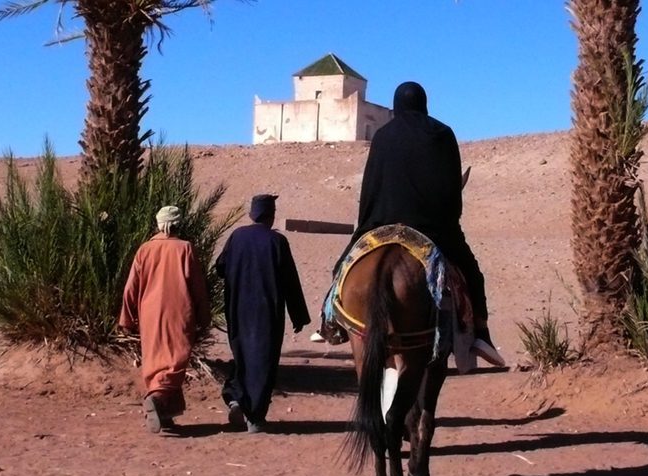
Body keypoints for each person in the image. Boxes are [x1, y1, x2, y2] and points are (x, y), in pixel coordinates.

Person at [325, 81, 502, 365]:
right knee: (471, 272)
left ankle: (330, 321)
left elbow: (370, 187)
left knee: (342, 266)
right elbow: (449, 189)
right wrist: (449, 222)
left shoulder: (382, 136)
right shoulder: (442, 134)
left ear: (395, 107)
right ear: (424, 104)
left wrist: (366, 223)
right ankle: (481, 333)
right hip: (431, 226)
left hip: (380, 221)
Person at [215, 194, 310, 433]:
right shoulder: (277, 242)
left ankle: (236, 398)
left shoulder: (237, 237)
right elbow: (290, 282)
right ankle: (255, 416)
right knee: (263, 362)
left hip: (238, 310)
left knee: (242, 356)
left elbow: (220, 267)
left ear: (251, 214)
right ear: (271, 215)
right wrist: (299, 316)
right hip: (268, 313)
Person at [119, 205, 212, 434]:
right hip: (179, 312)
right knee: (174, 359)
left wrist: (127, 319)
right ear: (178, 224)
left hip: (149, 314)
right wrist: (204, 315)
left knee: (154, 357)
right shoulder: (185, 249)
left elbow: (131, 287)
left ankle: (165, 413)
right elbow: (197, 286)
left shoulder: (145, 250)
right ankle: (158, 399)